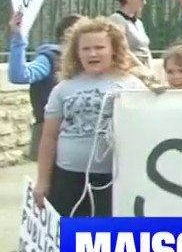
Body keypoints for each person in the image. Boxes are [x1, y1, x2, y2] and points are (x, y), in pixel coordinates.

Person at [33, 17, 147, 217]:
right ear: (76, 53)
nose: (92, 53)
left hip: (115, 180)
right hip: (67, 179)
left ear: (114, 49)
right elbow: (49, 137)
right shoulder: (63, 89)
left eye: (99, 47)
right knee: (71, 242)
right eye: (85, 48)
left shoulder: (134, 86)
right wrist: (43, 181)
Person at [8, 12, 82, 161]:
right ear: (68, 34)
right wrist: (18, 40)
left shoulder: (89, 59)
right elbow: (20, 75)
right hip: (51, 133)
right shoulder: (50, 58)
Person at [106, 0, 151, 68]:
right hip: (129, 66)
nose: (144, 3)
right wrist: (139, 66)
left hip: (145, 65)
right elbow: (121, 47)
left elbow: (145, 48)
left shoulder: (138, 23)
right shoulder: (116, 19)